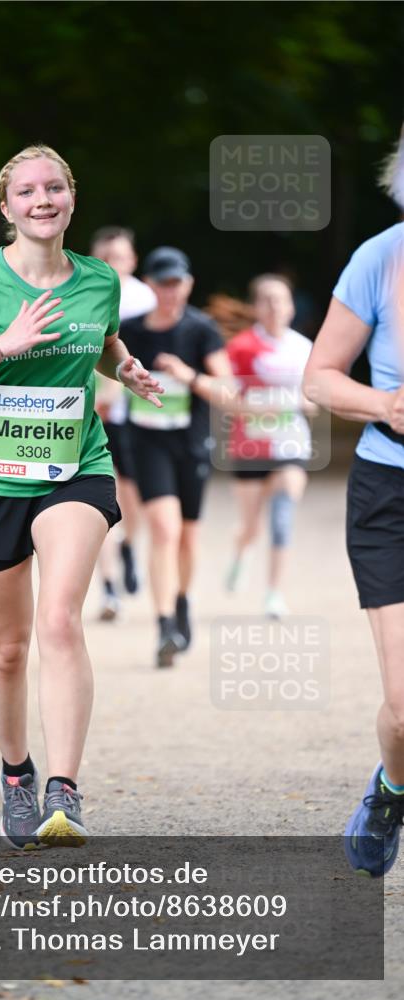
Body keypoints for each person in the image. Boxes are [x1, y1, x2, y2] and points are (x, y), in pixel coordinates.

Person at [0, 144, 163, 848]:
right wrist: (4, 345)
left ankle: (64, 789)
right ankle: (17, 773)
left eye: (54, 188)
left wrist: (124, 368)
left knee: (58, 619)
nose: (42, 200)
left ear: (71, 198)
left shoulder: (99, 280)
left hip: (72, 467)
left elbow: (101, 340)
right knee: (5, 649)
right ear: (7, 207)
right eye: (26, 191)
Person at [303, 137, 404, 878]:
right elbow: (319, 377)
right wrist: (386, 404)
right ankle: (392, 788)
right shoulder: (379, 257)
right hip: (388, 490)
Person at [120, 246, 231, 666]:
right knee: (163, 530)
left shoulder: (201, 329)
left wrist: (190, 375)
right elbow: (110, 376)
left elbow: (229, 391)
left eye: (177, 283)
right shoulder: (131, 331)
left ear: (188, 284)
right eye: (163, 283)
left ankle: (182, 600)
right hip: (147, 441)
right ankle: (164, 624)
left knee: (187, 535)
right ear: (149, 285)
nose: (170, 291)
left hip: (191, 443)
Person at [222, 275, 316, 618]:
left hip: (291, 445)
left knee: (282, 515)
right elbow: (226, 397)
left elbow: (316, 396)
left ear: (292, 306)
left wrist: (303, 403)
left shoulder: (304, 348)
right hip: (250, 446)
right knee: (252, 526)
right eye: (268, 300)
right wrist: (256, 407)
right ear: (256, 307)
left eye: (282, 299)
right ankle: (241, 551)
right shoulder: (241, 347)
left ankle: (274, 593)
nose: (276, 307)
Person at [90, 227, 156, 619]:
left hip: (136, 415)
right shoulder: (86, 295)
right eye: (105, 258)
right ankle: (109, 587)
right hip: (96, 413)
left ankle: (130, 546)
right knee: (102, 496)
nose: (113, 264)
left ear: (132, 260)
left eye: (120, 257)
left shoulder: (145, 300)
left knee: (133, 499)